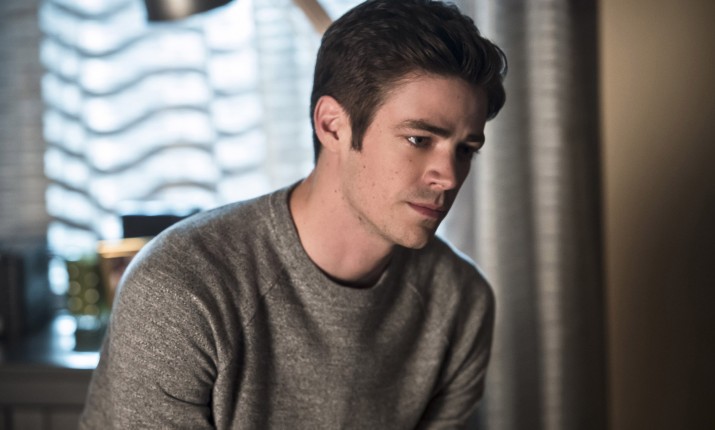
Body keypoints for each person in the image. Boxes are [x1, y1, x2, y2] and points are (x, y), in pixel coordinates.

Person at [80, 0, 507, 428]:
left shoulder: (461, 303)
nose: (449, 176)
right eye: (419, 139)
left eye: (465, 150)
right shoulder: (180, 290)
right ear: (332, 125)